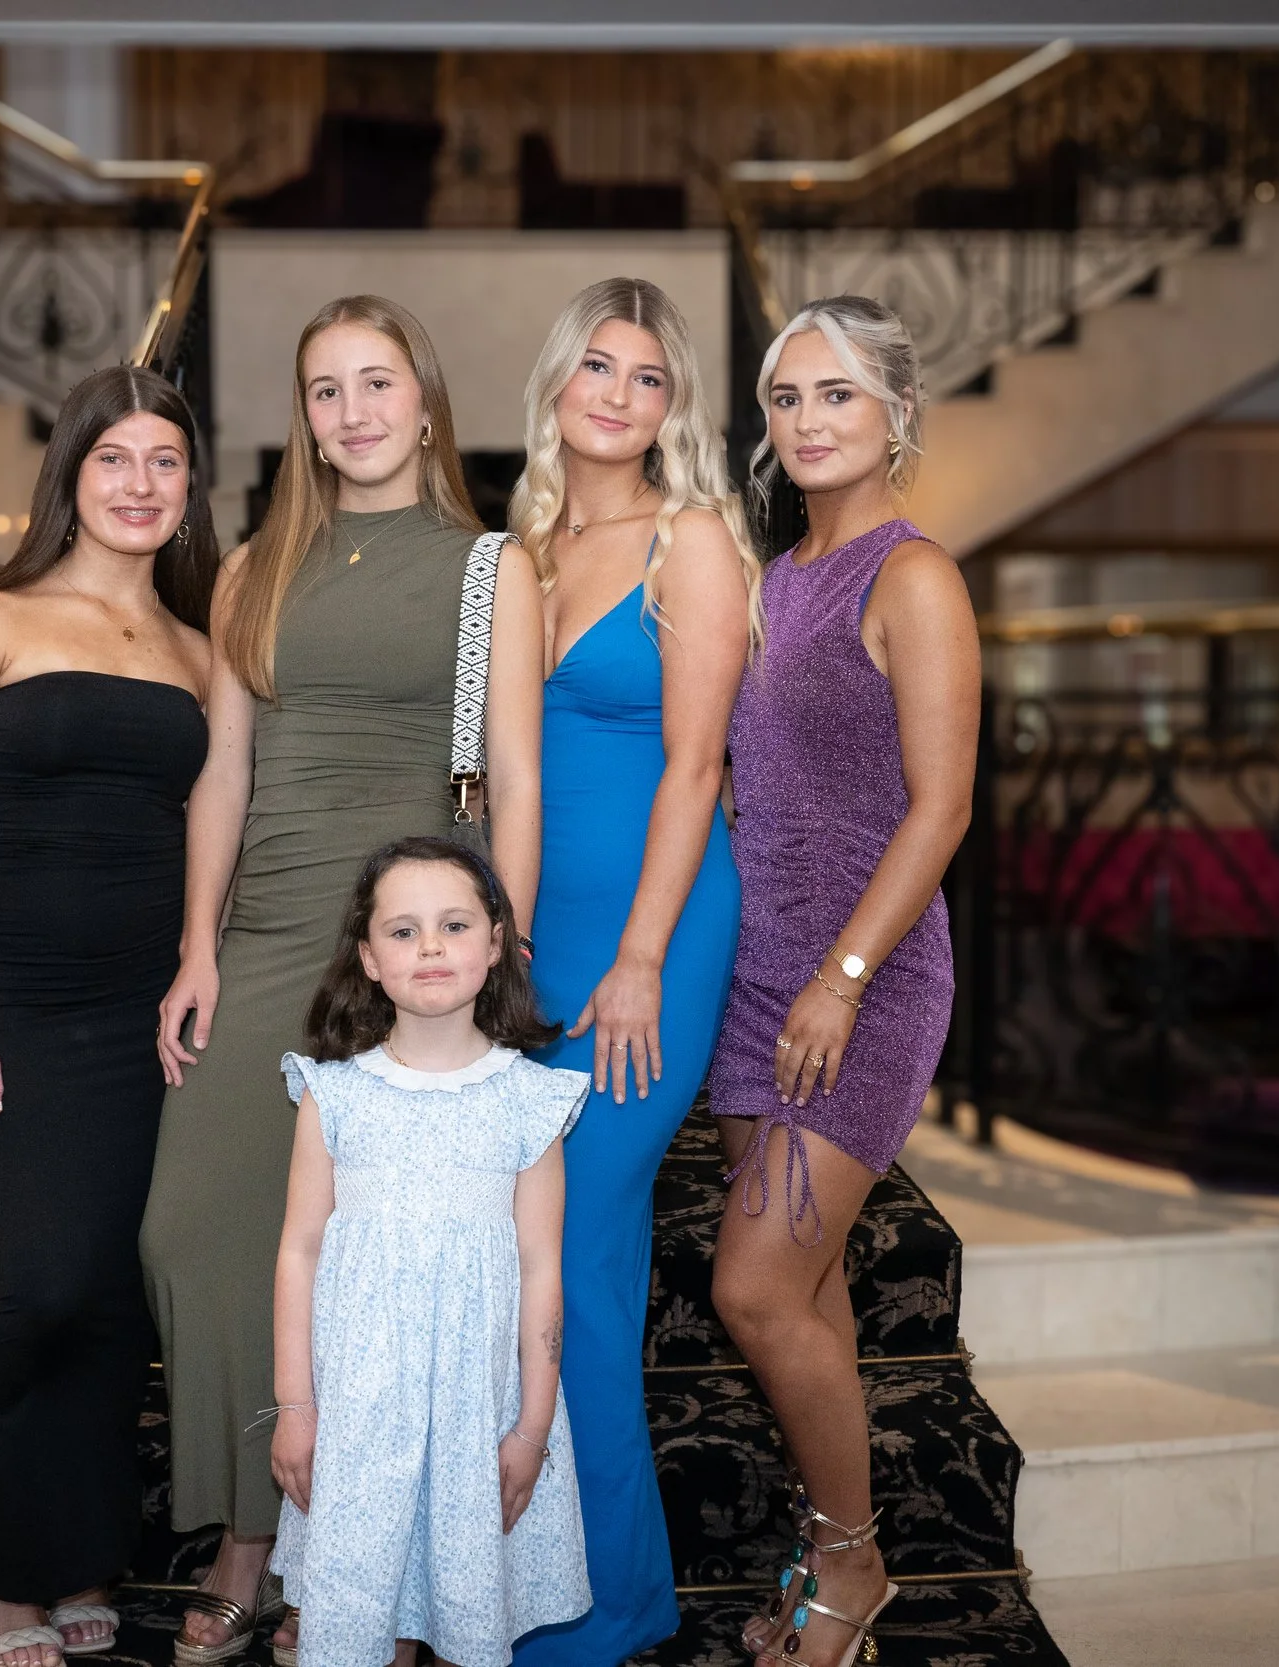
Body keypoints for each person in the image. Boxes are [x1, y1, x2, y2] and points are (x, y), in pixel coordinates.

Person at [144, 296, 546, 1665]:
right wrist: (197, 943)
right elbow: (225, 770)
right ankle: (252, 1525)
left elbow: (512, 776)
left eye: (379, 383)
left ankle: (358, 1555)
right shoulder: (254, 561)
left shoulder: (494, 564)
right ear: (301, 415)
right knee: (192, 1229)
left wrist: (500, 958)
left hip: (409, 938)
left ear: (425, 403)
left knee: (388, 1260)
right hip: (263, 930)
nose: (354, 411)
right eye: (326, 389)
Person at [0, 366, 218, 1667]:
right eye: (114, 461)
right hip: (14, 1004)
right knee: (50, 1278)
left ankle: (80, 1554)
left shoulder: (201, 649)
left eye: (166, 462)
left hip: (149, 1013)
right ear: (70, 478)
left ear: (190, 487)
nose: (140, 485)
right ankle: (2, 1577)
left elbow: (212, 838)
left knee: (117, 1294)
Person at [706, 297, 980, 1667]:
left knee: (752, 1283)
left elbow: (940, 809)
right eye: (786, 397)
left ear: (895, 414)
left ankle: (855, 1559)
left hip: (859, 977)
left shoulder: (912, 574)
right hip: (754, 970)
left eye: (836, 396)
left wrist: (843, 977)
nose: (807, 421)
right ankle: (824, 1554)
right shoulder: (765, 579)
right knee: (799, 1292)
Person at [502, 277, 760, 1667]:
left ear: (674, 406)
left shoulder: (692, 539)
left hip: (651, 931)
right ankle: (575, 1582)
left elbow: (699, 764)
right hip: (527, 938)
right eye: (596, 364)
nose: (616, 392)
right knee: (523, 1263)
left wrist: (643, 957)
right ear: (558, 381)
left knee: (581, 1256)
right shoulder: (521, 545)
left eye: (647, 376)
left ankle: (604, 1615)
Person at [268, 836, 592, 1667]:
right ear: (368, 958)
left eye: (454, 924)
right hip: (360, 1410)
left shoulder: (529, 1099)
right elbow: (299, 1251)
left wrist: (530, 1427)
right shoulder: (333, 1093)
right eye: (403, 931)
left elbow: (541, 1269)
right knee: (359, 1612)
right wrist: (296, 1407)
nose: (432, 947)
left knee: (465, 1606)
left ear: (496, 943)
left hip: (477, 1408)